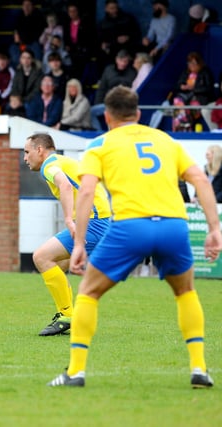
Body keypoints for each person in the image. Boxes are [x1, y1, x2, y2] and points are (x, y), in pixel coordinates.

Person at [48, 85, 221, 388]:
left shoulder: (99, 144)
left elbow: (87, 190)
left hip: (131, 227)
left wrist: (78, 243)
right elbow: (199, 180)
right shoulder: (165, 140)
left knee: (88, 292)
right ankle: (199, 368)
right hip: (173, 226)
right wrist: (214, 228)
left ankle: (75, 372)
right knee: (186, 292)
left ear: (108, 117)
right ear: (139, 114)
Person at [24, 132, 111, 335]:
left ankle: (67, 315)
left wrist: (69, 220)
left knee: (41, 257)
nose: (25, 158)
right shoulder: (62, 160)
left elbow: (64, 184)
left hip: (94, 222)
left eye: (27, 152)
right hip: (99, 219)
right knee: (58, 264)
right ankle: (72, 314)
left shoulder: (49, 165)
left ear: (40, 150)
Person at [90, 49, 136, 131]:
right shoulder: (109, 70)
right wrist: (98, 102)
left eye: (125, 61)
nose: (123, 63)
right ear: (116, 60)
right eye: (121, 60)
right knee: (92, 111)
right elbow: (102, 88)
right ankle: (99, 133)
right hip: (109, 104)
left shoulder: (132, 73)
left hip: (125, 104)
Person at [171, 52, 215, 132]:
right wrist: (182, 86)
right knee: (177, 101)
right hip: (186, 98)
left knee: (189, 108)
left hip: (199, 99)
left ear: (199, 63)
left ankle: (185, 129)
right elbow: (178, 85)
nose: (191, 65)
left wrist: (194, 88)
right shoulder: (186, 72)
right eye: (189, 63)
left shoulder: (205, 72)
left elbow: (208, 88)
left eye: (194, 63)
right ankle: (180, 128)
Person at [9, 0, 46, 66]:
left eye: (28, 5)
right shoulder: (19, 16)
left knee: (37, 53)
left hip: (33, 43)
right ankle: (19, 69)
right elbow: (15, 30)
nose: (26, 7)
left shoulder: (38, 16)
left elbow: (39, 32)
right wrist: (16, 34)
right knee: (13, 49)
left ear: (32, 7)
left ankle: (35, 71)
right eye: (25, 5)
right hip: (21, 43)